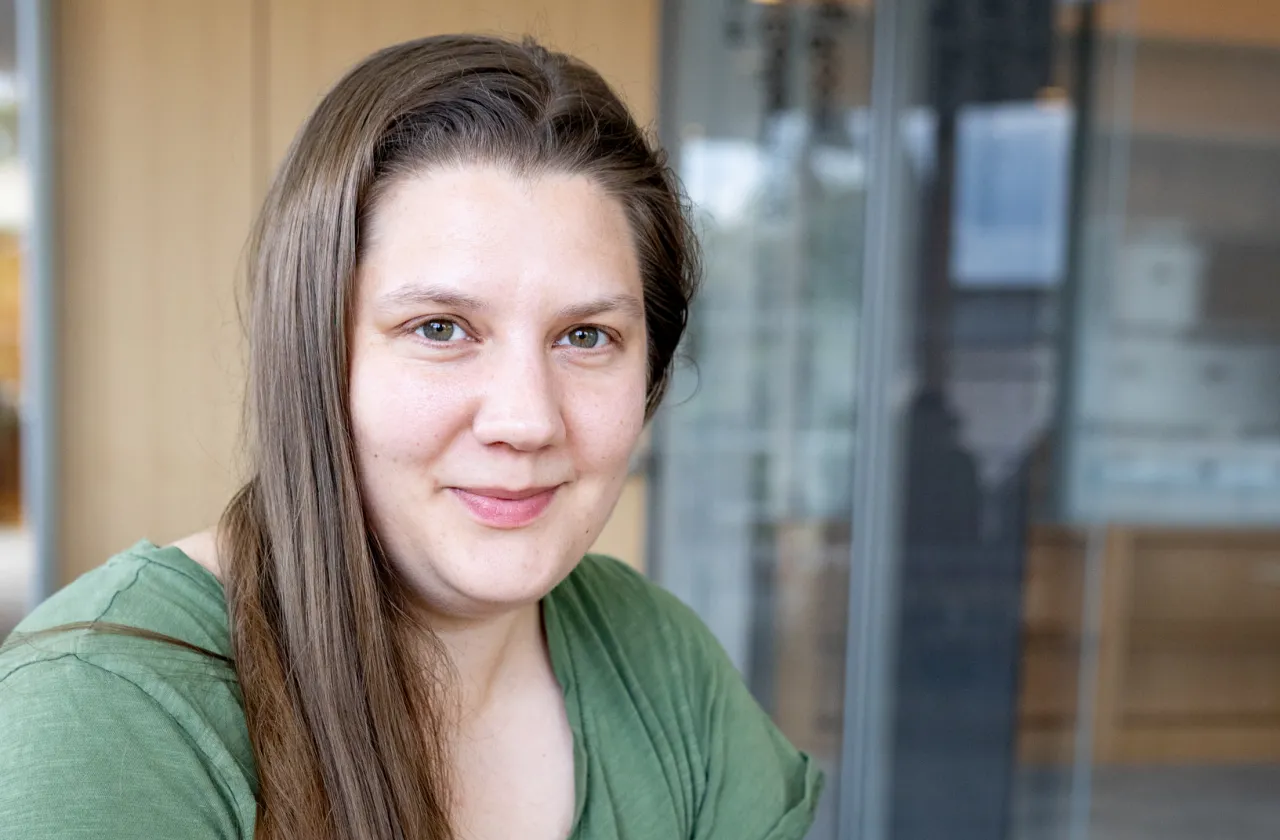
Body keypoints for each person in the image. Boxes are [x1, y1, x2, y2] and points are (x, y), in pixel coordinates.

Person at [0, 35, 822, 840]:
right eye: (440, 328)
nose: (526, 419)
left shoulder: (658, 660)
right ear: (316, 352)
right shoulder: (102, 710)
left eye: (585, 337)